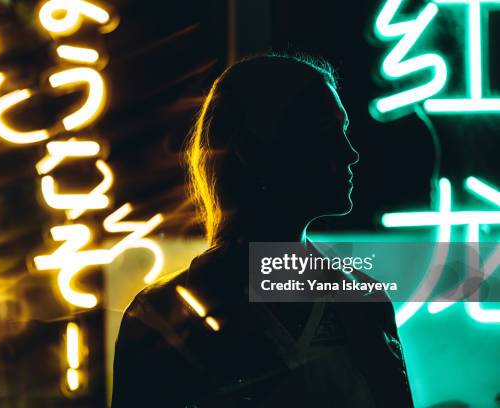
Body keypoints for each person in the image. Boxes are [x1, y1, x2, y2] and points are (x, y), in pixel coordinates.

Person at [111, 54, 414, 407]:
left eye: (343, 132)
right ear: (253, 147)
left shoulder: (362, 302)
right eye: (325, 132)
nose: (350, 154)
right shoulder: (162, 317)